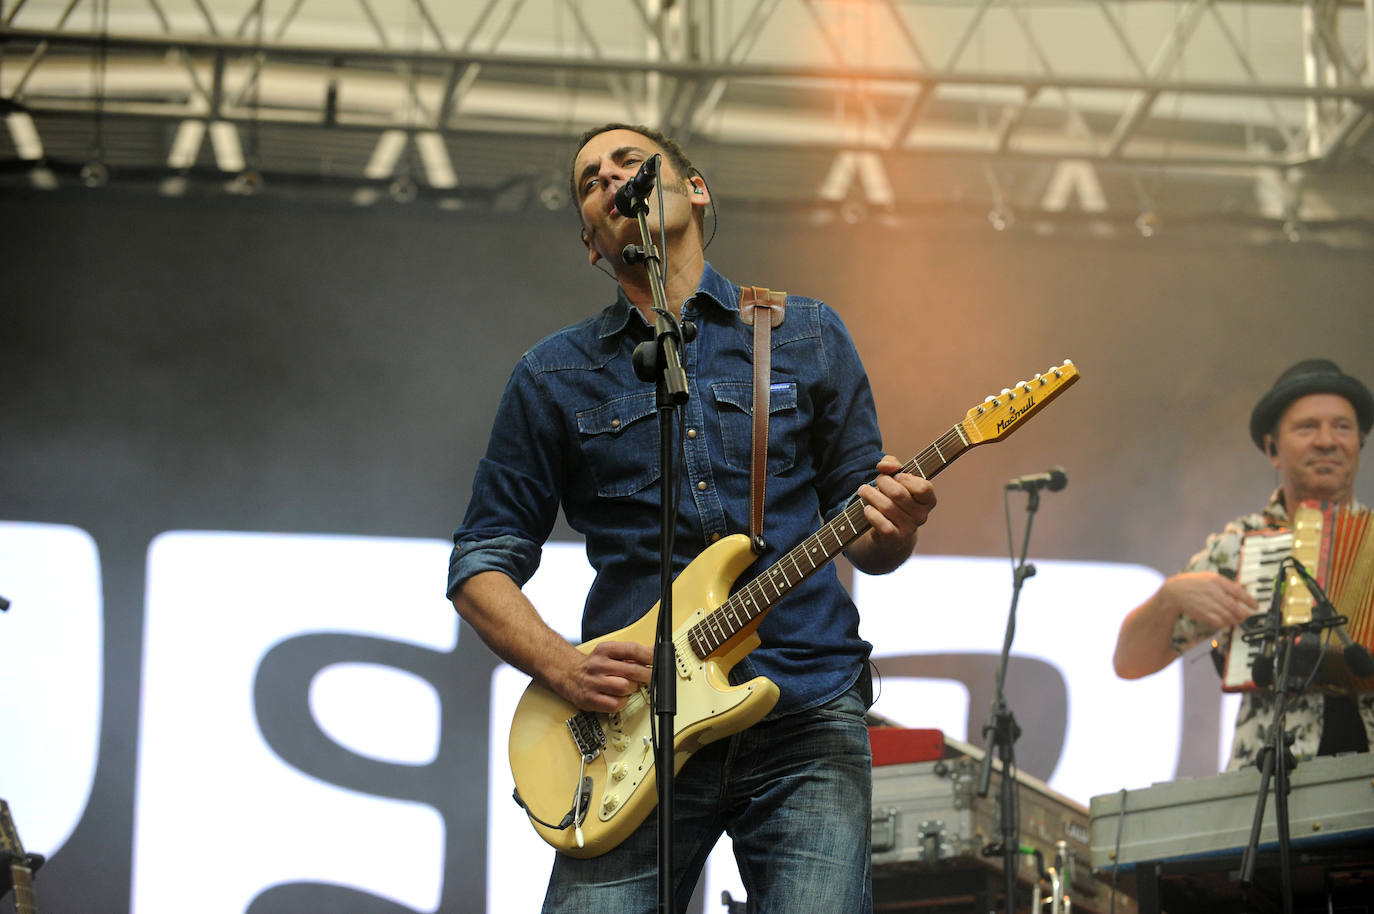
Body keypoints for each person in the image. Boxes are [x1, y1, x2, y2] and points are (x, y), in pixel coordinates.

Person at [446, 123, 936, 913]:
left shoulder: (805, 333)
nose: (610, 178)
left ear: (695, 190)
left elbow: (869, 538)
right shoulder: (553, 375)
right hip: (630, 726)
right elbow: (479, 562)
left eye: (630, 163)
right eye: (589, 181)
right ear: (590, 242)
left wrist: (896, 526)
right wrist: (559, 664)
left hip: (804, 704)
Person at [1113, 358, 1374, 771]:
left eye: (1342, 427)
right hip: (1273, 792)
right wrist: (1169, 597)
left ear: (1359, 443)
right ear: (1273, 449)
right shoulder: (1240, 548)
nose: (1327, 441)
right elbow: (1130, 662)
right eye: (1307, 427)